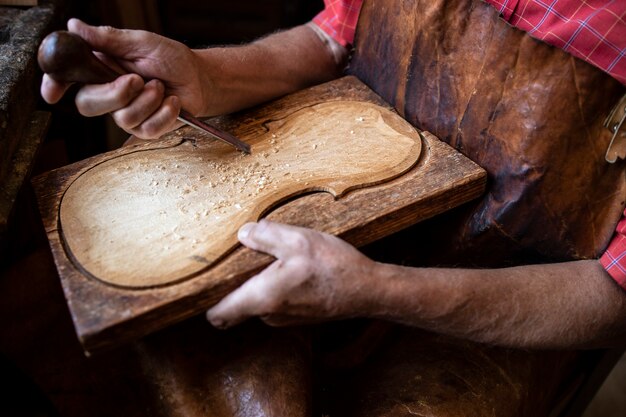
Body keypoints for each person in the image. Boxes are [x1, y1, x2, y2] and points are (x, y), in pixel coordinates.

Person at [41, 0, 626, 413]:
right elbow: (332, 37)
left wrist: (378, 290)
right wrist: (207, 73)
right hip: (340, 203)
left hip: (516, 291)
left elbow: (615, 296)